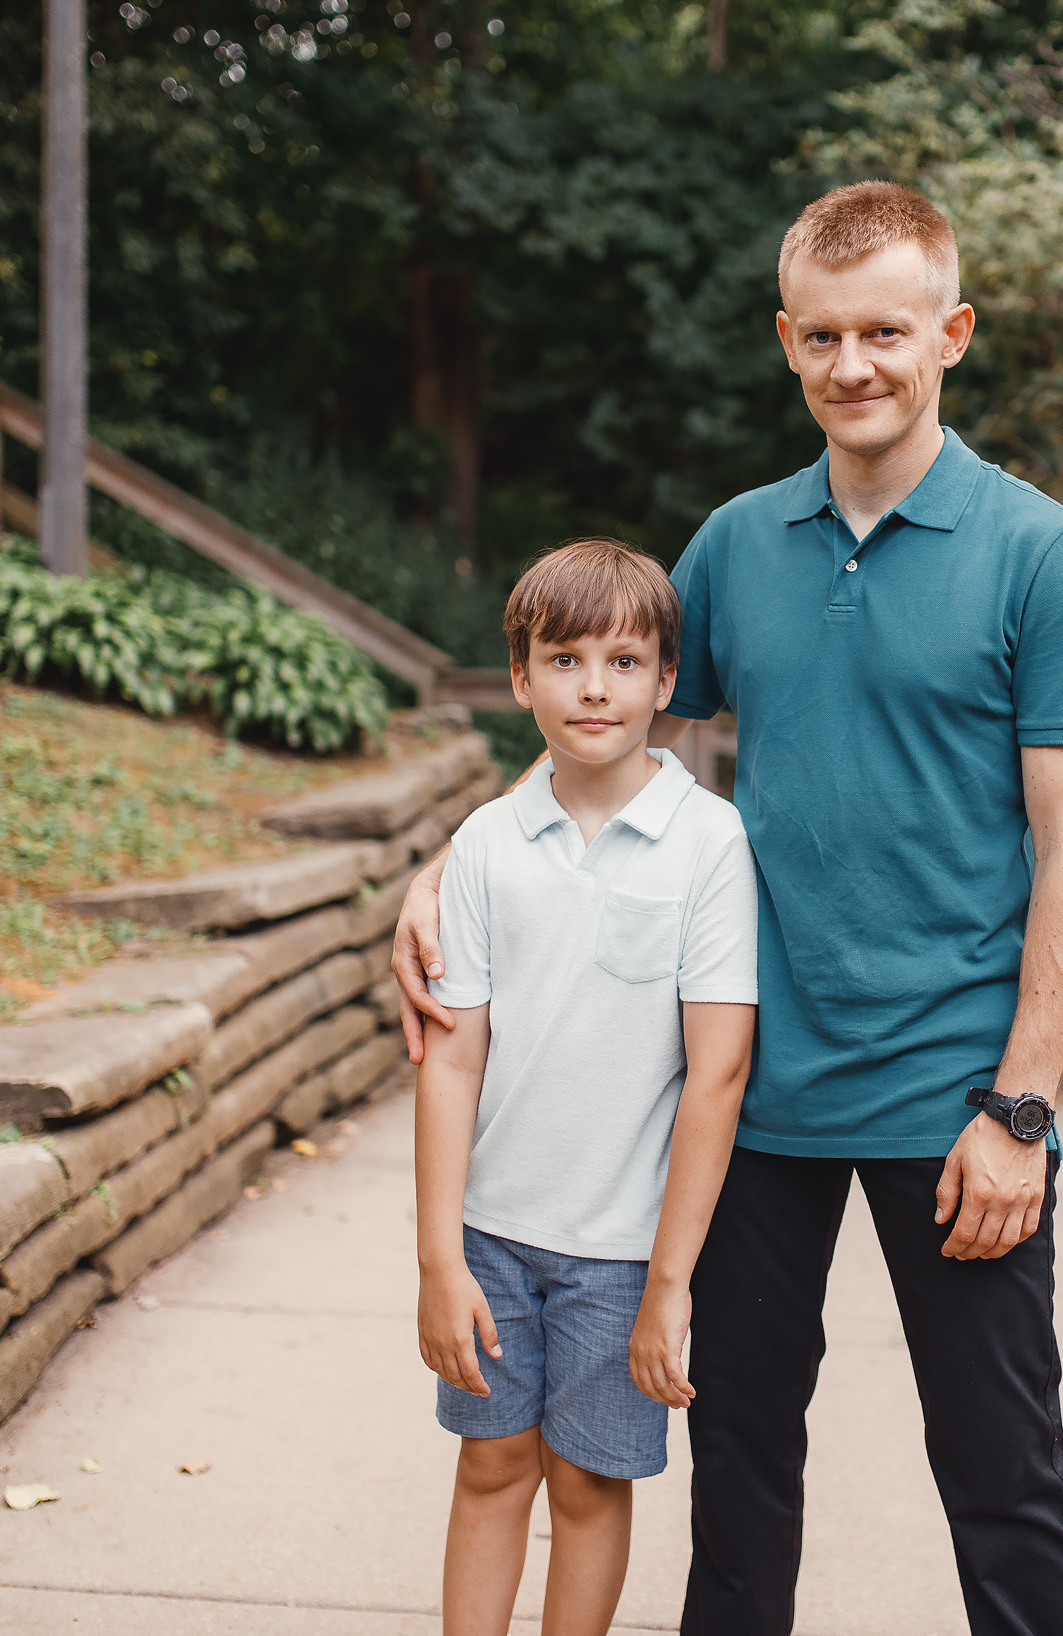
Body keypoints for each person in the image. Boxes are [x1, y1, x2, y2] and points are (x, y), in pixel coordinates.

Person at [398, 181, 1063, 1636]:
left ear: (952, 334)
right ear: (787, 342)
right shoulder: (732, 546)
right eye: (826, 334)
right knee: (735, 1473)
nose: (856, 364)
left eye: (889, 333)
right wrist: (447, 857)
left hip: (953, 1104)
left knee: (1003, 1474)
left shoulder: (1041, 553)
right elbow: (599, 708)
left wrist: (1022, 1107)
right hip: (751, 1102)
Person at [412, 538, 759, 1636]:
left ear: (668, 683)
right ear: (519, 679)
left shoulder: (708, 842)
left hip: (622, 1248)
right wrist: (437, 1259)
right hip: (492, 1236)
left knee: (586, 1483)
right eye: (563, 660)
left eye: (623, 661)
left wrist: (669, 1283)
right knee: (490, 1465)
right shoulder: (483, 844)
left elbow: (719, 1072)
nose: (594, 688)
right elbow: (452, 1056)